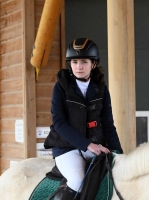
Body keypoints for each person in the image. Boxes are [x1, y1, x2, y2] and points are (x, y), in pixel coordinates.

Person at [45, 38, 123, 200]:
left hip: (94, 146)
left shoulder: (101, 88)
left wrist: (118, 153)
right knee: (77, 180)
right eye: (74, 62)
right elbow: (59, 123)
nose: (78, 66)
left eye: (83, 62)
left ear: (93, 64)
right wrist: (88, 144)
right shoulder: (60, 87)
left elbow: (108, 125)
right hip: (66, 148)